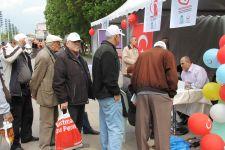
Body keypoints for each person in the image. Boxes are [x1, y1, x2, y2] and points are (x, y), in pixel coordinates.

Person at [131, 40, 178, 150]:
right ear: (164, 47)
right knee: (161, 127)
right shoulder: (167, 54)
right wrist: (172, 92)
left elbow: (134, 75)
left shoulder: (142, 55)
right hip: (160, 93)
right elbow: (172, 75)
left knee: (141, 126)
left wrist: (135, 91)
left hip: (141, 93)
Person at [53, 32, 92, 147]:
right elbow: (58, 82)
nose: (77, 44)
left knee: (77, 127)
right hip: (70, 100)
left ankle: (76, 144)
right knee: (70, 127)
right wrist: (62, 100)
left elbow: (86, 76)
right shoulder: (62, 58)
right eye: (74, 42)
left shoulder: (80, 57)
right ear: (67, 43)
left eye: (78, 42)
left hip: (80, 98)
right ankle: (70, 146)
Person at [2, 33, 38, 150]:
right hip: (15, 91)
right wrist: (19, 45)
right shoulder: (6, 50)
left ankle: (26, 136)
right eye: (22, 41)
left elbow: (31, 57)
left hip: (25, 88)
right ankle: (15, 144)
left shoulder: (20, 52)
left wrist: (34, 46)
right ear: (14, 42)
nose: (24, 43)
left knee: (28, 114)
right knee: (16, 118)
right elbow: (9, 58)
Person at [92, 25, 125, 150]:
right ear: (116, 36)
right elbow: (109, 78)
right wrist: (116, 92)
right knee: (116, 129)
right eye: (119, 37)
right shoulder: (108, 51)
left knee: (106, 126)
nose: (120, 40)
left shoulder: (102, 49)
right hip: (109, 95)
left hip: (103, 95)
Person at [30, 35, 62, 150]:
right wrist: (33, 92)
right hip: (46, 95)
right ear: (52, 44)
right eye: (58, 43)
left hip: (52, 95)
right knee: (46, 123)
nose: (60, 45)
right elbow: (36, 77)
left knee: (53, 120)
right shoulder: (44, 56)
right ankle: (44, 146)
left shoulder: (50, 53)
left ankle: (51, 141)